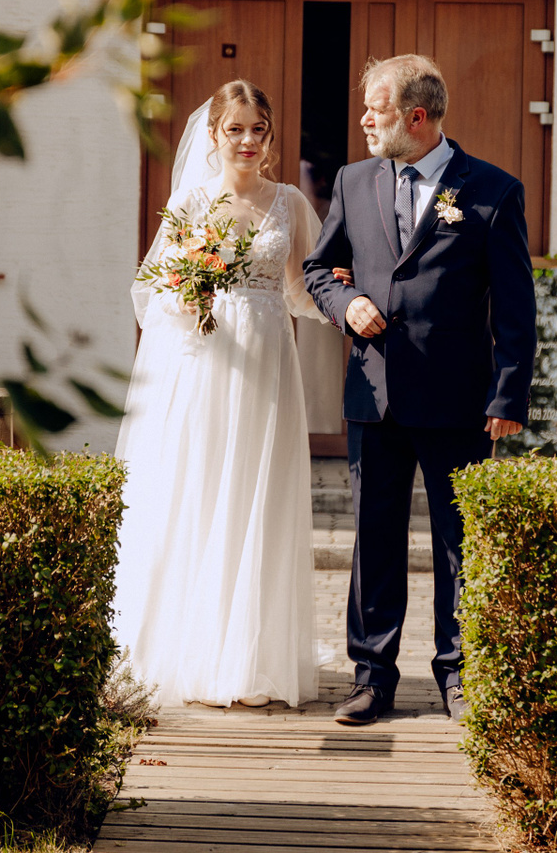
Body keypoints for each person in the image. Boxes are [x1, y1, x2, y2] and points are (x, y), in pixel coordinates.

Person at [302, 54, 537, 725]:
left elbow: (516, 307)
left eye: (375, 110)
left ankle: (459, 676)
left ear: (416, 116)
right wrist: (345, 304)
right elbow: (319, 270)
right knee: (374, 540)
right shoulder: (352, 182)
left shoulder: (492, 191)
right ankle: (372, 678)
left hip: (458, 400)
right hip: (374, 395)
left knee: (459, 543)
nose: (363, 121)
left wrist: (508, 396)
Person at [113, 81, 332, 707]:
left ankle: (248, 659)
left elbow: (299, 289)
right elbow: (155, 290)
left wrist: (345, 305)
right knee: (204, 491)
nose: (247, 141)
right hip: (207, 367)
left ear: (270, 134)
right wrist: (187, 299)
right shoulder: (192, 202)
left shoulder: (290, 203)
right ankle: (195, 654)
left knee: (257, 495)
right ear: (214, 135)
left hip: (268, 365)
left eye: (257, 129)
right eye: (235, 129)